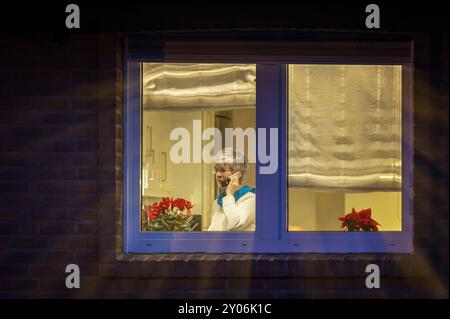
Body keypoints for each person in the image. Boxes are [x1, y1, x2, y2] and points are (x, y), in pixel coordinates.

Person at [208, 148, 255, 231]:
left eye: (223, 170)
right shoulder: (218, 202)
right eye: (217, 170)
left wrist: (229, 194)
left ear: (237, 174)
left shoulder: (250, 198)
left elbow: (235, 226)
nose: (218, 174)